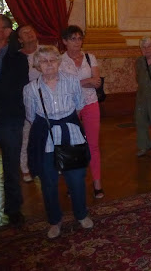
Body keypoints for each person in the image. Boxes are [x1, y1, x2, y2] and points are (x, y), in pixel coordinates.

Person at [23, 45, 93, 238]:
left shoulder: (72, 81)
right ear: (37, 65)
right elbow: (31, 116)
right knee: (48, 181)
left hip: (71, 134)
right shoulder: (30, 89)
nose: (49, 64)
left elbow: (79, 105)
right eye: (43, 61)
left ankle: (81, 214)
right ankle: (54, 220)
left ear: (59, 62)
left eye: (52, 60)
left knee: (77, 179)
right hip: (46, 138)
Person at [0, 14, 28, 227]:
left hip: (10, 118)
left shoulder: (18, 59)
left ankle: (13, 210)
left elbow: (13, 91)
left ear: (6, 31)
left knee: (11, 167)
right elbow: (2, 89)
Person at [59, 25, 105, 199]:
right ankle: (73, 183)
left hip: (90, 103)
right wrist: (87, 81)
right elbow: (62, 86)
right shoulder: (60, 61)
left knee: (93, 145)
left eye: (79, 38)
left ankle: (97, 182)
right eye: (73, 39)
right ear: (65, 41)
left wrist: (80, 82)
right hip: (69, 106)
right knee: (71, 147)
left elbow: (97, 82)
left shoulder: (89, 57)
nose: (77, 42)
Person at [17, 24, 40, 182]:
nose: (29, 33)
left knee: (48, 134)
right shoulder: (16, 56)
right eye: (25, 33)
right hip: (25, 101)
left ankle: (51, 163)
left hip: (47, 100)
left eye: (31, 30)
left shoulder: (46, 51)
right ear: (20, 40)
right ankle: (25, 168)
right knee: (26, 135)